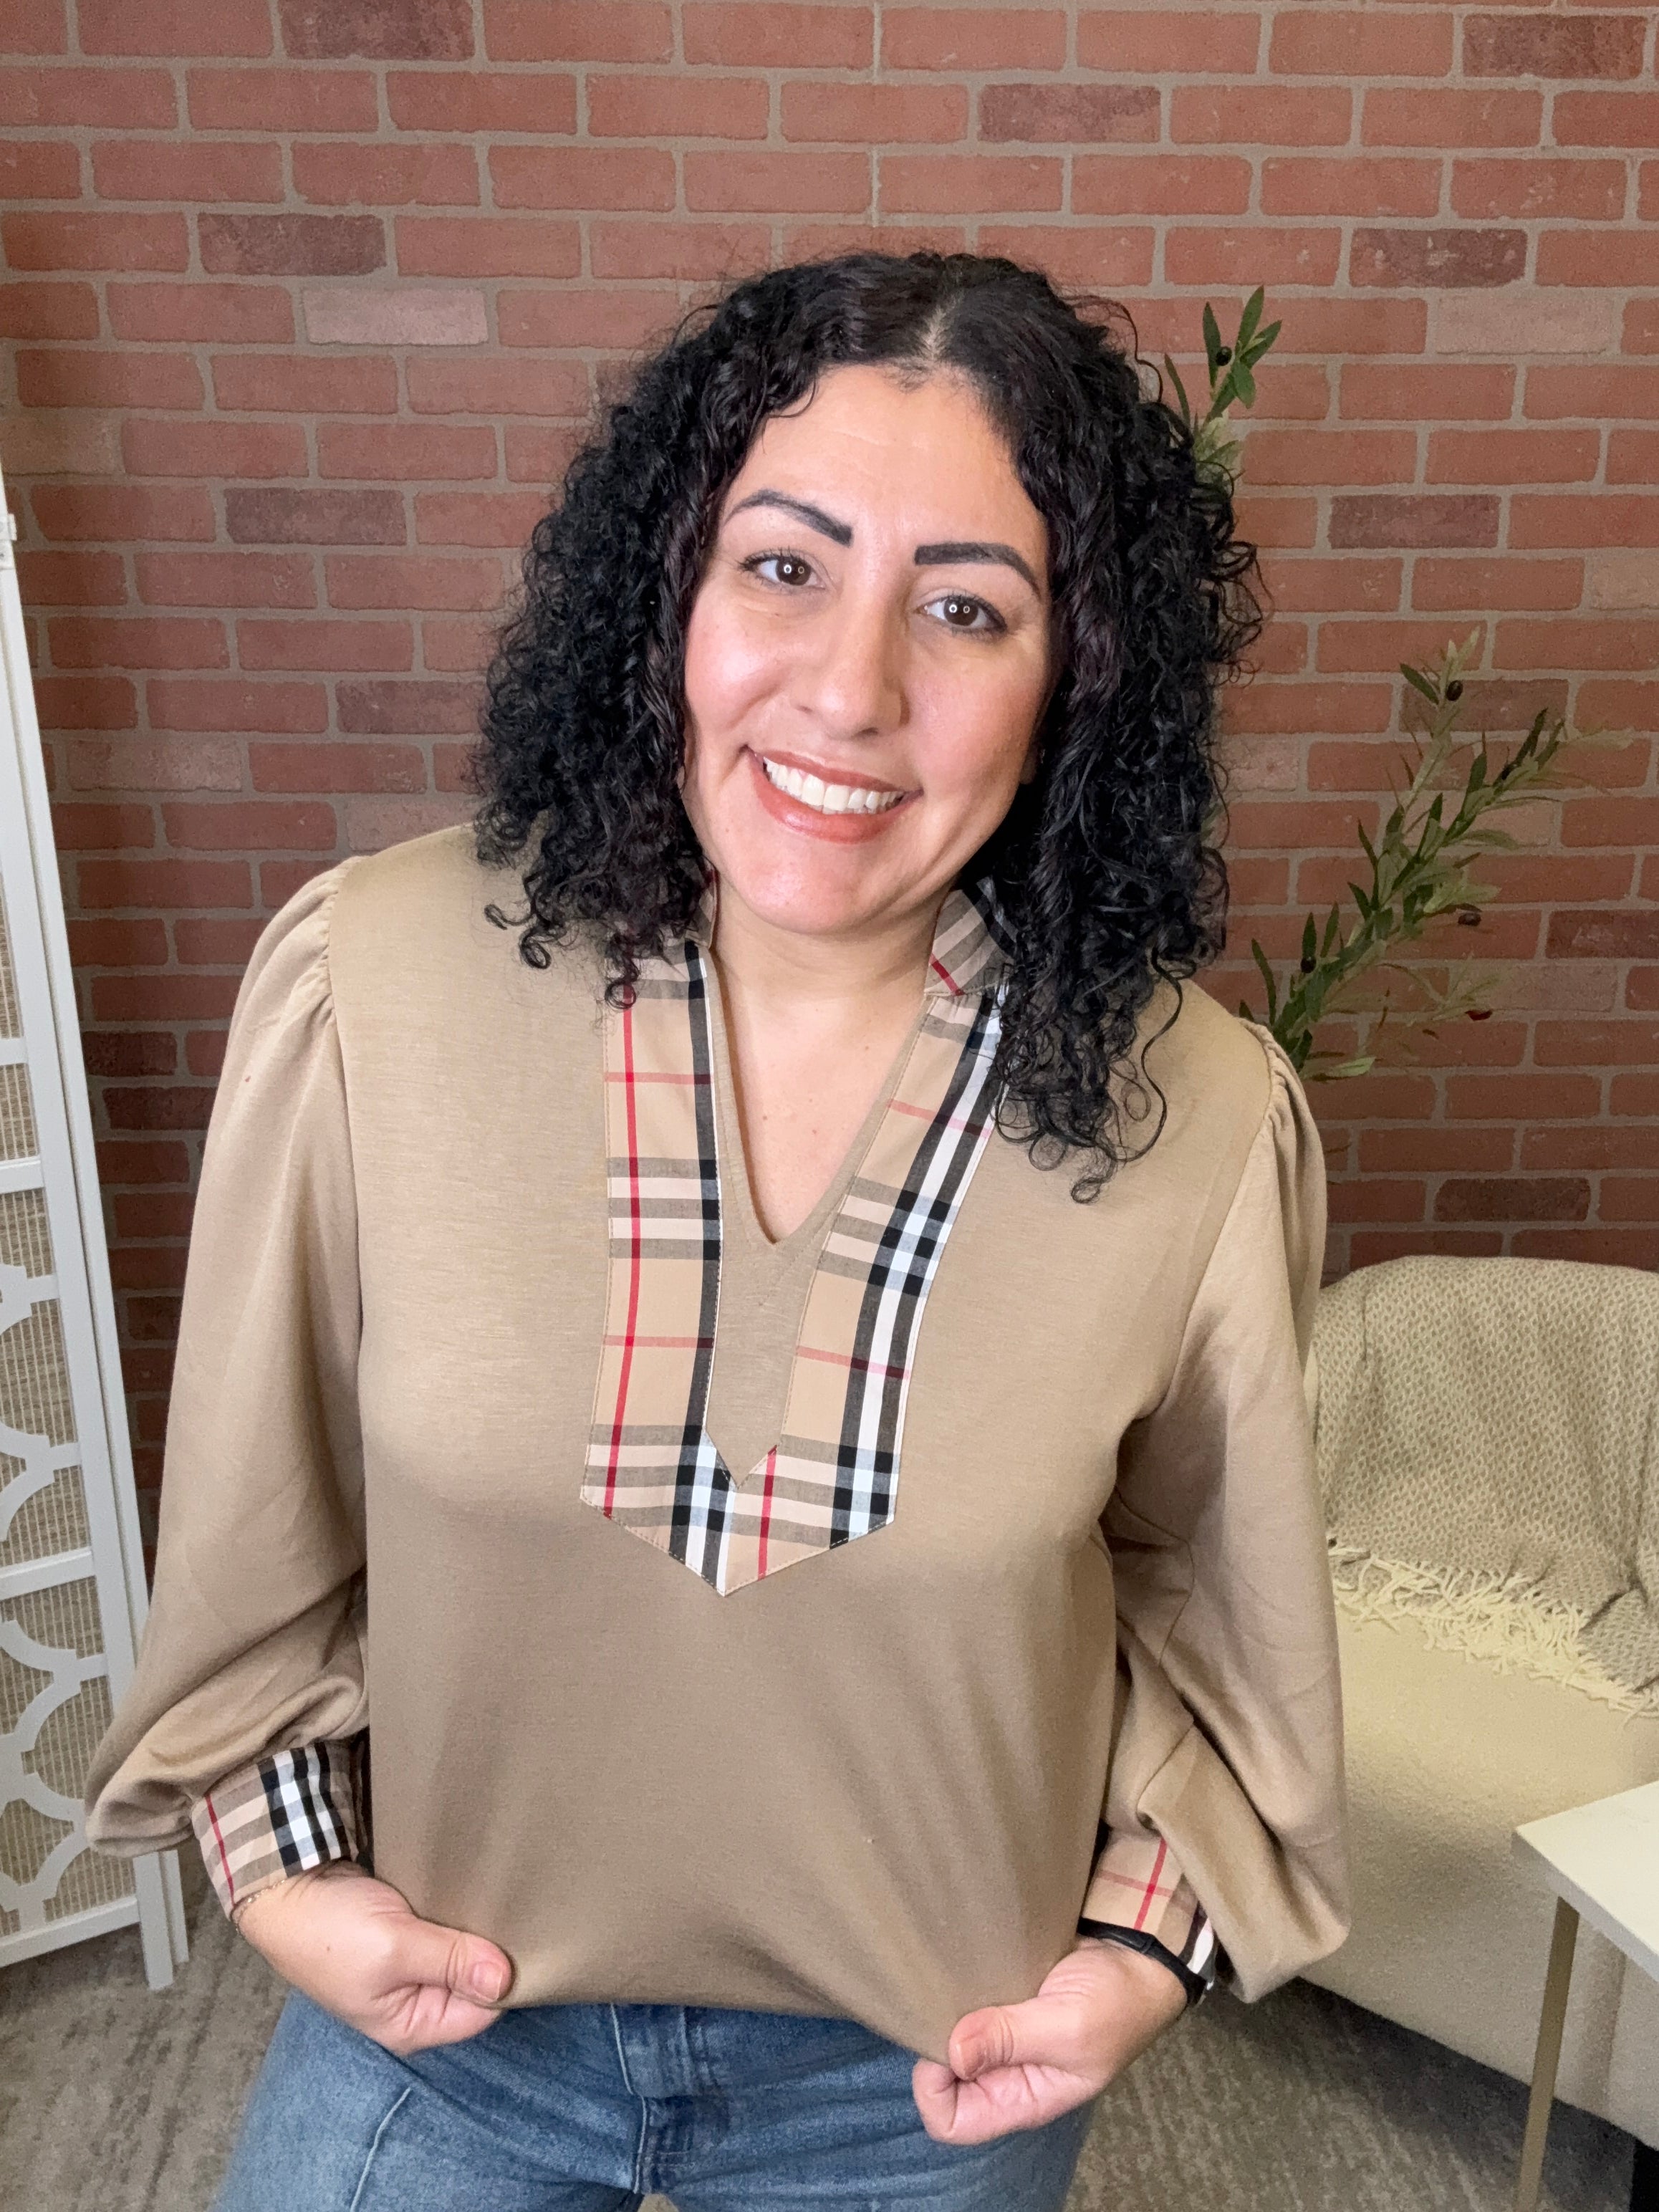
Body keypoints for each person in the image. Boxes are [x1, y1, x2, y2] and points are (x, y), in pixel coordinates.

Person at [85, 251, 1347, 2212]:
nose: (850, 689)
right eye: (782, 566)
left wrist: (1135, 1952)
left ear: (1075, 683)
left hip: (925, 2083)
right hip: (446, 2030)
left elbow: (1208, 1606)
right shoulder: (374, 986)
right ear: (667, 588)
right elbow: (265, 1507)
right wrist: (284, 1876)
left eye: (965, 607)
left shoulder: (1196, 1115)